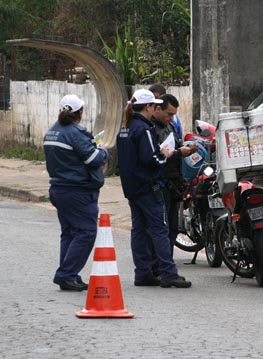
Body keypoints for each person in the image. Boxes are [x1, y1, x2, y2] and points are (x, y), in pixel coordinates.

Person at [116, 88, 191, 288]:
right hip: (148, 187)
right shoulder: (143, 129)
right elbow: (152, 159)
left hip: (132, 188)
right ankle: (168, 273)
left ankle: (143, 273)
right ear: (149, 106)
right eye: (153, 106)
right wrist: (166, 154)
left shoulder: (125, 127)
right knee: (161, 230)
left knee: (139, 231)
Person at [43, 94, 108, 291]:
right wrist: (103, 150)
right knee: (86, 232)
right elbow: (93, 159)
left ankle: (69, 274)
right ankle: (66, 273)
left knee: (70, 233)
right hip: (77, 191)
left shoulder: (51, 132)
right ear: (80, 113)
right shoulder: (76, 133)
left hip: (59, 189)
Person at [152, 94, 197, 255]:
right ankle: (159, 267)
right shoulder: (151, 129)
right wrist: (178, 153)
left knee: (171, 228)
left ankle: (166, 265)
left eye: (173, 115)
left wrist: (188, 148)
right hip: (160, 184)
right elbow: (157, 157)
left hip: (173, 183)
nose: (171, 118)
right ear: (158, 109)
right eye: (169, 114)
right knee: (161, 229)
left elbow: (175, 147)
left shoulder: (169, 127)